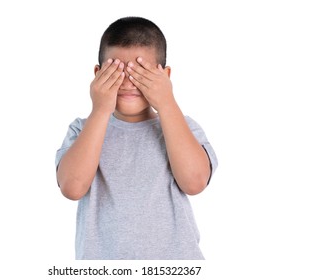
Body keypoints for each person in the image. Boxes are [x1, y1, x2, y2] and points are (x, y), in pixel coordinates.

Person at [55, 16, 218, 260]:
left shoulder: (182, 128)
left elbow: (195, 183)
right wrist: (101, 109)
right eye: (117, 72)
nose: (129, 83)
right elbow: (72, 187)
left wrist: (166, 102)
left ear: (165, 76)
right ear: (98, 74)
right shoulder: (81, 130)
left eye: (141, 72)